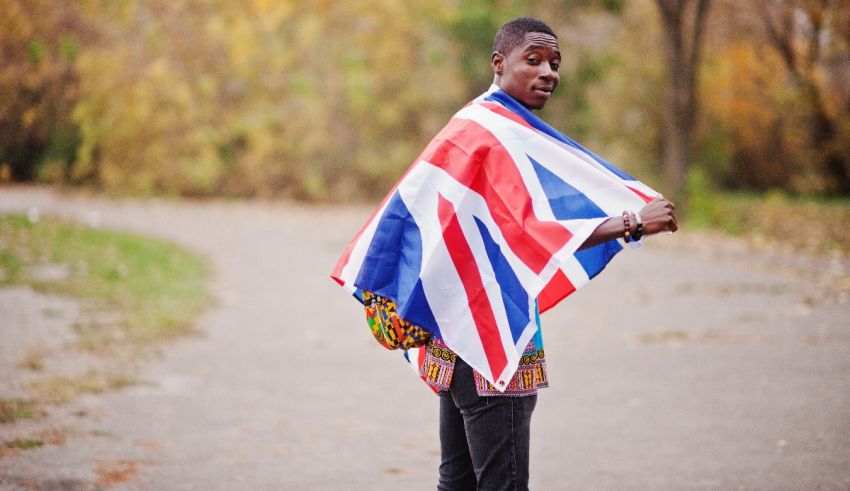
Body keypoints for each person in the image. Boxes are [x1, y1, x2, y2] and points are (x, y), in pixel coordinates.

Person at [429, 17, 678, 490]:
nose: (549, 73)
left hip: (456, 332)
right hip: (491, 337)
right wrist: (631, 222)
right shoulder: (496, 132)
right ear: (499, 63)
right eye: (534, 60)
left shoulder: (475, 123)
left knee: (458, 482)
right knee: (503, 483)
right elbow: (523, 233)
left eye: (555, 64)